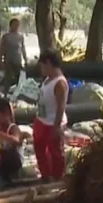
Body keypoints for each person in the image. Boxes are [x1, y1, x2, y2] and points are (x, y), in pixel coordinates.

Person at [33, 49, 68, 181]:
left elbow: (61, 107)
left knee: (55, 152)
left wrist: (56, 126)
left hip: (52, 122)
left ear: (48, 63)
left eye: (42, 66)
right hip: (41, 119)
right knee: (39, 148)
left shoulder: (60, 83)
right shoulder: (48, 79)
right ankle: (45, 175)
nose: (41, 69)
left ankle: (57, 177)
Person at [0, 97, 24, 183]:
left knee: (7, 156)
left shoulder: (13, 128)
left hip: (13, 160)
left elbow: (16, 140)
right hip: (1, 158)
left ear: (6, 113)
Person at [0, 18, 28, 90]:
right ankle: (6, 92)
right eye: (14, 25)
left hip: (17, 60)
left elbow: (23, 48)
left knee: (19, 77)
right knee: (8, 78)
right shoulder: (6, 36)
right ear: (10, 25)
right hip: (8, 59)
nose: (16, 26)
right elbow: (2, 48)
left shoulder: (20, 36)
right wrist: (1, 59)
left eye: (17, 25)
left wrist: (25, 59)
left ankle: (19, 92)